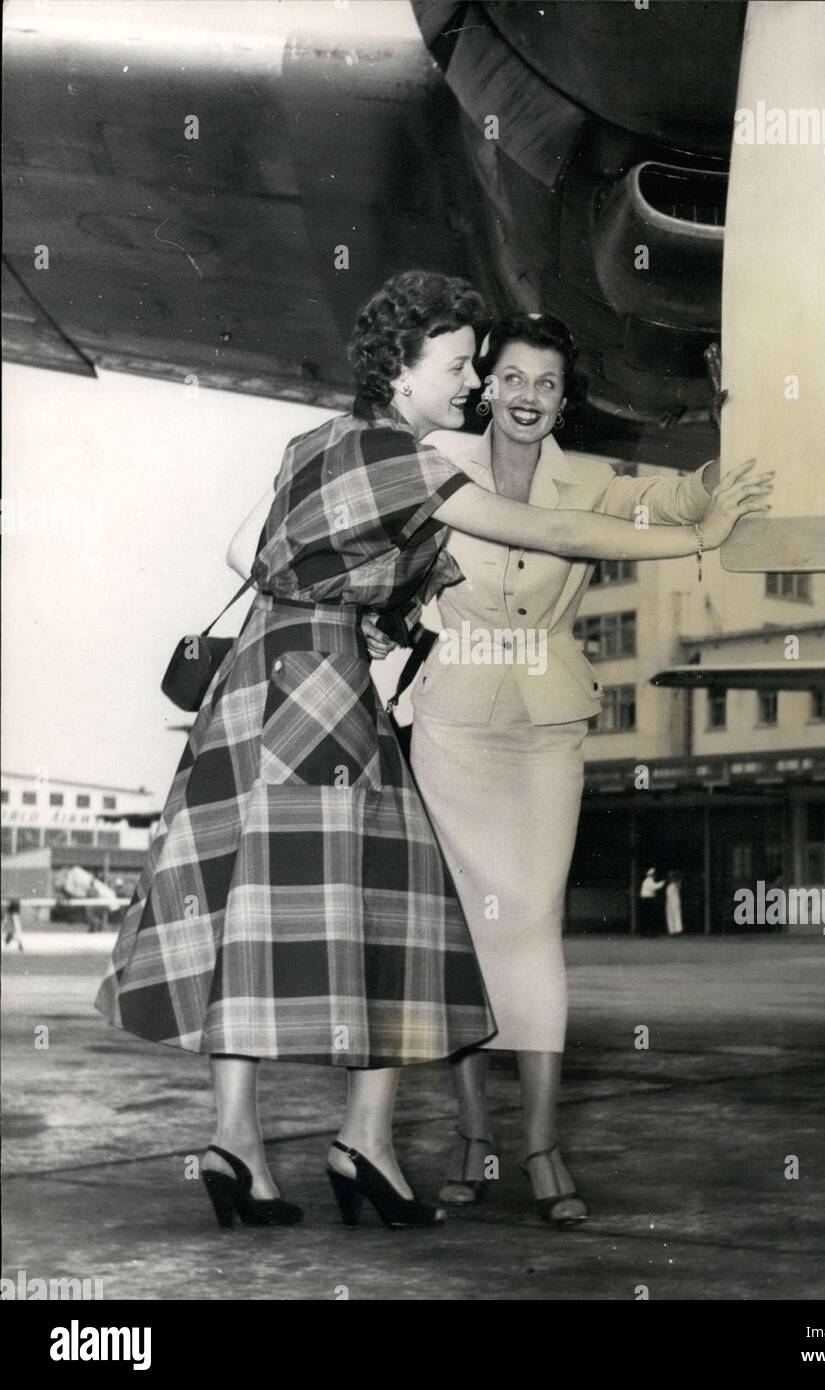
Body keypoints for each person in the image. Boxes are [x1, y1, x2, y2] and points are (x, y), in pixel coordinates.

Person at [96, 273, 770, 1234]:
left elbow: (243, 550)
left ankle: (237, 1142)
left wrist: (339, 595)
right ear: (402, 372)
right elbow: (547, 527)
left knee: (246, 912)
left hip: (261, 681)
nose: (471, 385)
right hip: (321, 695)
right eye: (456, 367)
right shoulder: (398, 457)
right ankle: (361, 1142)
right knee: (397, 908)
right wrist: (701, 533)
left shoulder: (313, 443)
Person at [399, 312, 771, 1226]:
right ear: (488, 384)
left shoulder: (596, 480)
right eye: (514, 380)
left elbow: (695, 498)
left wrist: (741, 413)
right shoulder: (434, 457)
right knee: (467, 928)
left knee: (533, 922)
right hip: (450, 716)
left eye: (549, 386)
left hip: (549, 718)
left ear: (567, 400)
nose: (529, 399)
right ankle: (473, 1133)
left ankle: (541, 1140)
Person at [639, 868, 662, 938]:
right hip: (648, 900)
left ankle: (646, 933)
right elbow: (655, 887)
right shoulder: (649, 880)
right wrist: (662, 883)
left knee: (647, 917)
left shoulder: (647, 881)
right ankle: (650, 933)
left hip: (646, 900)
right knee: (650, 917)